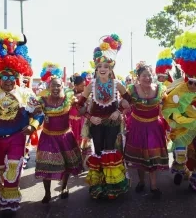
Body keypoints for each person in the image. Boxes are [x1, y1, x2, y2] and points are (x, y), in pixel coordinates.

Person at [76, 34, 131, 200]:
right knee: (98, 151)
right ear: (96, 67)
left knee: (110, 150)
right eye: (100, 65)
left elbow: (129, 99)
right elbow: (79, 105)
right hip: (96, 124)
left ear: (110, 68)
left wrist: (119, 111)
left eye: (106, 66)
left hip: (112, 122)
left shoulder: (117, 84)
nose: (103, 68)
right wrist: (89, 116)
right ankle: (98, 185)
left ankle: (112, 185)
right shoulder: (91, 85)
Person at [0, 31, 43, 218]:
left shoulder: (25, 94)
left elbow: (39, 114)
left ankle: (9, 205)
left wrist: (32, 126)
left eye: (11, 76)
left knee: (13, 169)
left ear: (17, 75)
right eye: (4, 76)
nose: (8, 80)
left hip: (16, 138)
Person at [35, 62, 82, 203]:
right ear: (48, 87)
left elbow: (81, 109)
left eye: (58, 85)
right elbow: (36, 113)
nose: (56, 88)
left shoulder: (68, 99)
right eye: (53, 85)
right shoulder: (42, 100)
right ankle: (47, 193)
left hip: (65, 136)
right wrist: (34, 112)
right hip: (47, 137)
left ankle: (64, 187)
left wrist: (85, 106)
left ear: (62, 86)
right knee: (46, 164)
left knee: (66, 164)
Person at [124, 62, 169, 199]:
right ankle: (141, 181)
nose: (147, 78)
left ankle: (154, 186)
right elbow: (123, 105)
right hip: (137, 126)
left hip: (154, 126)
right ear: (138, 77)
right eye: (144, 75)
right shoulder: (131, 90)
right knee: (140, 157)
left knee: (153, 157)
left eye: (149, 75)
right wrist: (123, 104)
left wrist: (168, 125)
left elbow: (165, 106)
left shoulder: (160, 88)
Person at [162, 32, 196, 190]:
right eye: (190, 76)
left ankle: (191, 176)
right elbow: (168, 104)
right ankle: (180, 170)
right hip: (183, 126)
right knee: (182, 150)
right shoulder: (179, 85)